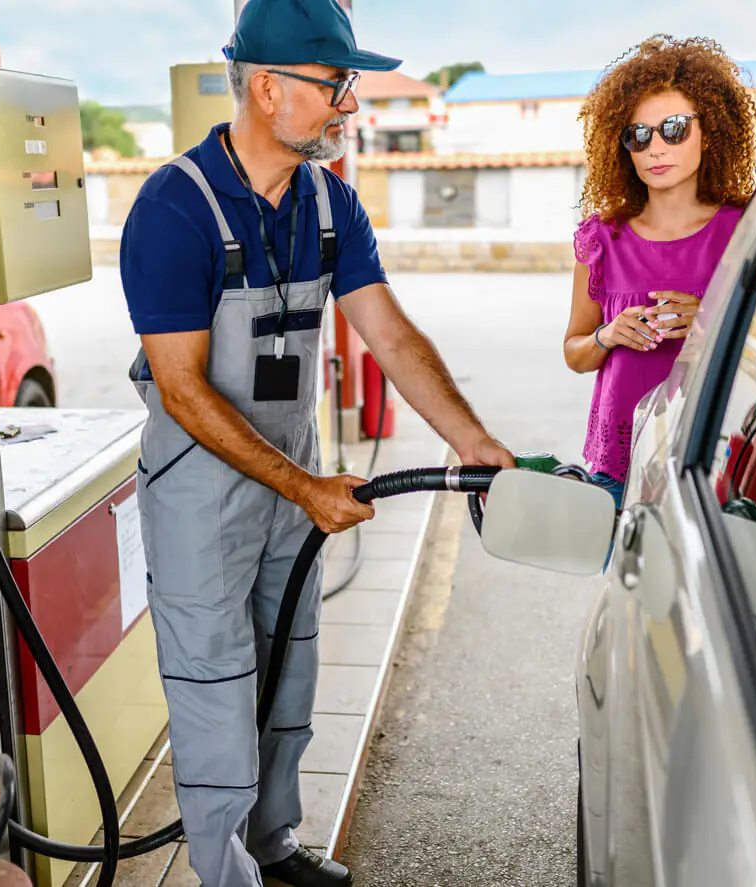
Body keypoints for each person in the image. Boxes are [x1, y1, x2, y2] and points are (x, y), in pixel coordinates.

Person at [119, 1, 514, 884]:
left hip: (288, 488)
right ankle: (225, 873)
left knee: (287, 672)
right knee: (217, 692)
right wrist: (303, 486)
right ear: (268, 88)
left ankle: (274, 846)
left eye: (350, 86)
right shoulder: (173, 209)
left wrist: (471, 439)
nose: (349, 105)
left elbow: (392, 335)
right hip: (201, 495)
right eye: (336, 84)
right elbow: (181, 388)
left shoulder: (329, 204)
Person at [563, 36, 756, 508]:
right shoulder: (600, 239)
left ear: (709, 131)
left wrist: (711, 320)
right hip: (619, 467)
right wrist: (608, 335)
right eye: (639, 135)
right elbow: (575, 352)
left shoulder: (748, 230)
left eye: (674, 129)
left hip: (715, 466)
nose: (656, 148)